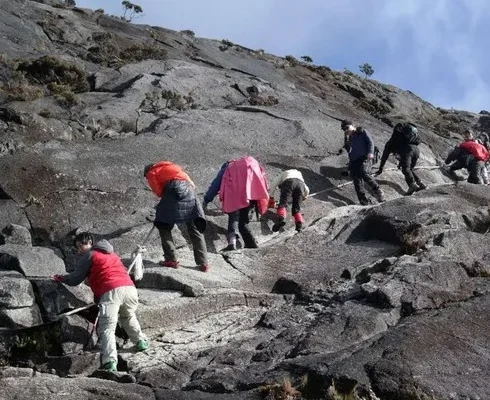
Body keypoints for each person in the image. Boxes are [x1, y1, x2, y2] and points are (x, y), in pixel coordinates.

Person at [52, 232, 148, 372]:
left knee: (107, 328)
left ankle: (110, 363)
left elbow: (75, 279)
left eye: (81, 246)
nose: (80, 250)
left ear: (90, 243)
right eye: (78, 248)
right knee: (128, 316)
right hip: (130, 289)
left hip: (111, 291)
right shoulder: (112, 253)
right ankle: (141, 342)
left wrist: (62, 278)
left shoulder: (90, 255)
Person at [144, 161, 210, 271]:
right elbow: (192, 184)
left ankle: (171, 259)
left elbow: (158, 191)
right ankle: (204, 263)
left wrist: (165, 199)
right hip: (189, 192)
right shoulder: (173, 167)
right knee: (194, 228)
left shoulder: (152, 173)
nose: (147, 179)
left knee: (163, 226)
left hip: (172, 191)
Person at [203, 156, 269, 250]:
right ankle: (250, 243)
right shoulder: (250, 165)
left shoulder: (228, 167)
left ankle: (233, 243)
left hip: (235, 195)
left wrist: (206, 200)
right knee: (244, 221)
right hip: (251, 194)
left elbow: (215, 186)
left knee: (234, 217)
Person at [341, 120, 385, 205]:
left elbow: (370, 142)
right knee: (356, 179)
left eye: (347, 127)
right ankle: (363, 201)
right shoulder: (350, 138)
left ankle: (378, 190)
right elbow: (351, 152)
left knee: (364, 172)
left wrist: (371, 153)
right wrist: (350, 164)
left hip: (365, 156)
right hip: (355, 160)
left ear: (353, 125)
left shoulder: (362, 132)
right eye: (344, 129)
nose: (346, 130)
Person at [375, 122, 427, 195]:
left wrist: (380, 168)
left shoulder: (390, 144)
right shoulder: (402, 141)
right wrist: (401, 162)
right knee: (409, 170)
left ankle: (412, 185)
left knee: (405, 169)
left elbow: (384, 157)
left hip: (408, 151)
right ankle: (420, 183)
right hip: (416, 150)